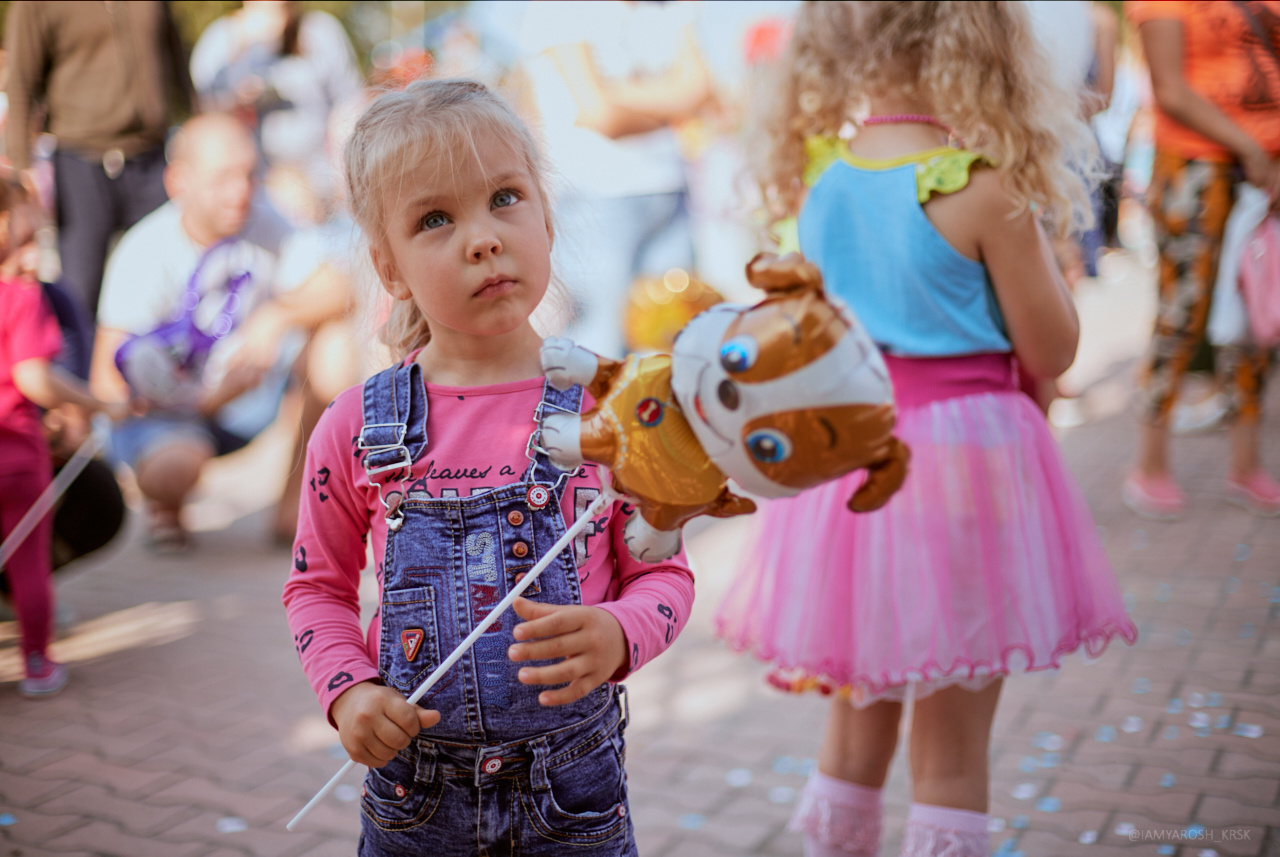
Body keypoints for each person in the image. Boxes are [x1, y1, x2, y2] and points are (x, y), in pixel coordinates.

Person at [716, 4, 1137, 856]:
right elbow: (1053, 348)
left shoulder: (827, 186)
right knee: (950, 748)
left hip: (858, 461)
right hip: (967, 463)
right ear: (982, 40)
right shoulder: (983, 186)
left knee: (856, 722)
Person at [281, 79, 695, 855]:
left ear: (545, 214)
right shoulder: (355, 427)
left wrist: (619, 632)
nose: (482, 237)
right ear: (391, 267)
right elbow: (317, 589)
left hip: (572, 798)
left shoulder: (611, 411)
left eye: (505, 198)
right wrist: (348, 691)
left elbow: (665, 573)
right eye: (435, 219)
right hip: (415, 802)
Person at [89, 114, 348, 551]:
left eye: (250, 174)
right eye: (223, 179)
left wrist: (277, 316)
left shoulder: (265, 218)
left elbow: (343, 287)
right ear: (179, 182)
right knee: (176, 466)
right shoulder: (145, 249)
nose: (242, 192)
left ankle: (295, 511)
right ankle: (166, 506)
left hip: (245, 400)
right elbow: (106, 382)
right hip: (166, 413)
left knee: (336, 342)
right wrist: (199, 399)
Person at [1123, 0, 1280, 520]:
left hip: (1265, 175)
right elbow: (1169, 88)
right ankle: (1150, 466)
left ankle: (1246, 465)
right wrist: (1250, 148)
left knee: (1259, 314)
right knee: (1181, 313)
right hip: (1196, 168)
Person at [520, 0, 712, 358]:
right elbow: (603, 116)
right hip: (597, 200)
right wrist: (672, 104)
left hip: (670, 192)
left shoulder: (666, 8)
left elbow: (700, 89)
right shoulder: (557, 8)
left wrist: (616, 95)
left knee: (673, 346)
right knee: (597, 351)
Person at [0, 174, 126, 697]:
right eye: (25, 238)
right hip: (18, 459)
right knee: (30, 559)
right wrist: (98, 403)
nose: (33, 255)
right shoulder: (24, 298)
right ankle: (37, 662)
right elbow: (34, 377)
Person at [3, 0, 194, 325]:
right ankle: (82, 373)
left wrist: (198, 129)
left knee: (166, 283)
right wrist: (21, 170)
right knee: (81, 292)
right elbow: (21, 81)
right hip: (81, 160)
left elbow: (176, 57)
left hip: (150, 159)